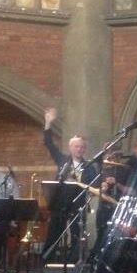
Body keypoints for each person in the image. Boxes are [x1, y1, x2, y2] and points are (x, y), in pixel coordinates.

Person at [42, 107, 98, 262]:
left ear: (84, 149)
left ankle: (74, 266)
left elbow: (94, 186)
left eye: (82, 147)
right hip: (60, 204)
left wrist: (80, 183)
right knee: (53, 235)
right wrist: (48, 122)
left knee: (76, 238)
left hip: (77, 206)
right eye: (76, 146)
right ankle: (47, 265)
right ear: (70, 147)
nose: (79, 149)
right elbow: (48, 143)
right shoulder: (62, 160)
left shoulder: (89, 167)